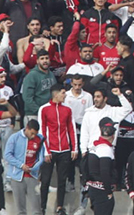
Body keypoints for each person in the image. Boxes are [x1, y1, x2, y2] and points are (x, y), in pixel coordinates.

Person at [38, 83, 78, 215]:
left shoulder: (67, 109)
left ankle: (60, 207)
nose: (65, 95)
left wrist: (74, 148)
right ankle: (42, 207)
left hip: (65, 150)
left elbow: (71, 128)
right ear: (56, 94)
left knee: (62, 180)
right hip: (50, 150)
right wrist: (46, 150)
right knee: (45, 180)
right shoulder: (44, 109)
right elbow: (42, 131)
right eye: (63, 93)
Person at [3, 119, 45, 215]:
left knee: (37, 209)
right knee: (21, 210)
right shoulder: (14, 137)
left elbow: (41, 158)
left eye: (35, 134)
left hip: (32, 176)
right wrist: (21, 165)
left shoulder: (40, 139)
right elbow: (7, 155)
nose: (33, 136)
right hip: (17, 177)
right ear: (27, 128)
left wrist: (33, 168)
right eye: (32, 133)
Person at [86, 117, 117, 214]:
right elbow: (105, 173)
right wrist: (108, 192)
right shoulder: (105, 149)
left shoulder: (95, 146)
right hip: (101, 191)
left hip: (93, 189)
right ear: (113, 135)